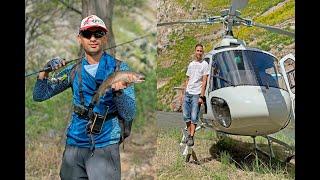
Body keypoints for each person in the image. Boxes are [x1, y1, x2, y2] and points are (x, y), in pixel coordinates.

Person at [33, 15, 137, 180]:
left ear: (105, 37)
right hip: (75, 143)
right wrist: (44, 71)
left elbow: (129, 113)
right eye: (87, 34)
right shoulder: (73, 70)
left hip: (105, 144)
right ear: (79, 38)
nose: (93, 38)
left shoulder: (120, 68)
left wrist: (119, 93)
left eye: (98, 34)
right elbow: (39, 95)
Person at [182, 44, 209, 146]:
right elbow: (187, 79)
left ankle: (191, 137)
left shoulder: (205, 64)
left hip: (196, 94)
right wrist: (184, 93)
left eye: (201, 51)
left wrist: (201, 96)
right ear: (195, 52)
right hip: (188, 93)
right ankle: (189, 135)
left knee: (194, 117)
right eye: (197, 50)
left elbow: (204, 81)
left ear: (203, 52)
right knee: (186, 116)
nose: (199, 52)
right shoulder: (191, 64)